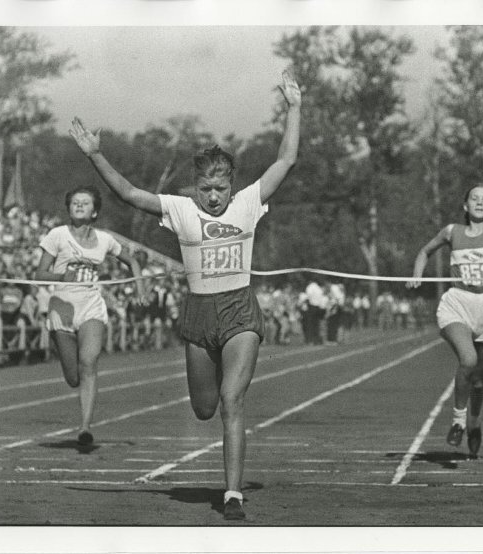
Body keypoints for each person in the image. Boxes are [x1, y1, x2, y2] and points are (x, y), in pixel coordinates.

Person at [68, 70, 301, 521]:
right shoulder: (180, 208)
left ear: (233, 184)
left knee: (232, 401)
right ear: (195, 186)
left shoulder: (249, 202)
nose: (214, 197)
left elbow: (286, 159)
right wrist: (96, 156)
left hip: (239, 313)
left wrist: (295, 107)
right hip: (198, 316)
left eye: (221, 188)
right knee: (203, 408)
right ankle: (227, 471)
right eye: (206, 189)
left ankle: (232, 493)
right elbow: (131, 193)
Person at [408, 183, 483, 457]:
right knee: (468, 360)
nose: (480, 202)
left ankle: (474, 421)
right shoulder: (451, 232)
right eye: (474, 198)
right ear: (465, 205)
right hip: (457, 303)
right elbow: (425, 251)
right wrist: (417, 273)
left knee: (479, 381)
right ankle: (458, 420)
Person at [34, 185, 146, 446]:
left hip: (91, 307)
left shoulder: (105, 240)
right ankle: (61, 345)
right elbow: (39, 274)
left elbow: (132, 261)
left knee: (89, 361)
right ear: (69, 209)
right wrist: (62, 276)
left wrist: (140, 286)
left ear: (95, 211)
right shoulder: (57, 235)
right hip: (61, 306)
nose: (80, 206)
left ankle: (85, 427)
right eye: (75, 203)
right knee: (73, 377)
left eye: (85, 203)